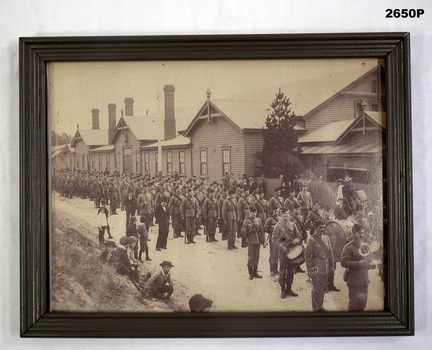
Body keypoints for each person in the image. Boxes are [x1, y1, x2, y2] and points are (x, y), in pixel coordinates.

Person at [340, 224, 376, 311]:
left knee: (362, 304)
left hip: (364, 280)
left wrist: (372, 265)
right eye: (359, 233)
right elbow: (343, 263)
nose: (362, 235)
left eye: (363, 233)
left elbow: (370, 260)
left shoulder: (365, 246)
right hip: (354, 281)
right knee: (353, 305)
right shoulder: (348, 247)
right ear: (353, 233)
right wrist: (357, 263)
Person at [305, 220, 335, 312]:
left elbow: (330, 254)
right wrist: (309, 270)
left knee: (322, 288)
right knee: (316, 289)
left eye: (323, 227)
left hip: (325, 267)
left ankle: (320, 306)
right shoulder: (311, 240)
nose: (322, 229)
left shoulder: (326, 238)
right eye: (320, 227)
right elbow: (307, 256)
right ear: (316, 228)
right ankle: (315, 308)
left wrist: (332, 266)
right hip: (316, 268)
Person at [272, 208, 302, 298]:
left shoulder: (292, 224)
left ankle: (289, 289)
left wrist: (296, 241)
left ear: (289, 215)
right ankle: (283, 290)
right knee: (282, 271)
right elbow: (274, 240)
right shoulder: (278, 226)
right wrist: (282, 247)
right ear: (281, 215)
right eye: (284, 214)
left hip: (292, 251)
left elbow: (298, 235)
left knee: (290, 270)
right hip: (283, 252)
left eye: (288, 213)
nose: (286, 215)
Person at [240, 207, 266, 280]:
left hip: (257, 240)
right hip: (251, 240)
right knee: (251, 257)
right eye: (252, 212)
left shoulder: (258, 220)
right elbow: (242, 231)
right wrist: (247, 229)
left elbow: (261, 231)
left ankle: (255, 272)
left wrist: (263, 241)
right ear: (250, 212)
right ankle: (250, 273)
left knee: (256, 257)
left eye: (255, 212)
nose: (254, 214)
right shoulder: (247, 220)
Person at [264, 208, 280, 276]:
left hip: (279, 239)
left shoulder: (280, 219)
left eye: (277, 211)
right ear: (273, 211)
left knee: (277, 254)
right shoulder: (270, 219)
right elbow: (265, 228)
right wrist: (272, 230)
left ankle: (276, 269)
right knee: (272, 254)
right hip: (272, 238)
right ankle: (272, 270)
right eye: (275, 211)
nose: (276, 212)